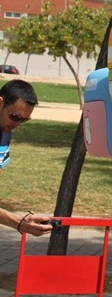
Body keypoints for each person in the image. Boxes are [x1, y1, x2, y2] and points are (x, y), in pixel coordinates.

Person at [0, 79, 53, 236]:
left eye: (24, 120)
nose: (17, 125)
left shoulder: (5, 134)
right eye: (15, 117)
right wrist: (16, 221)